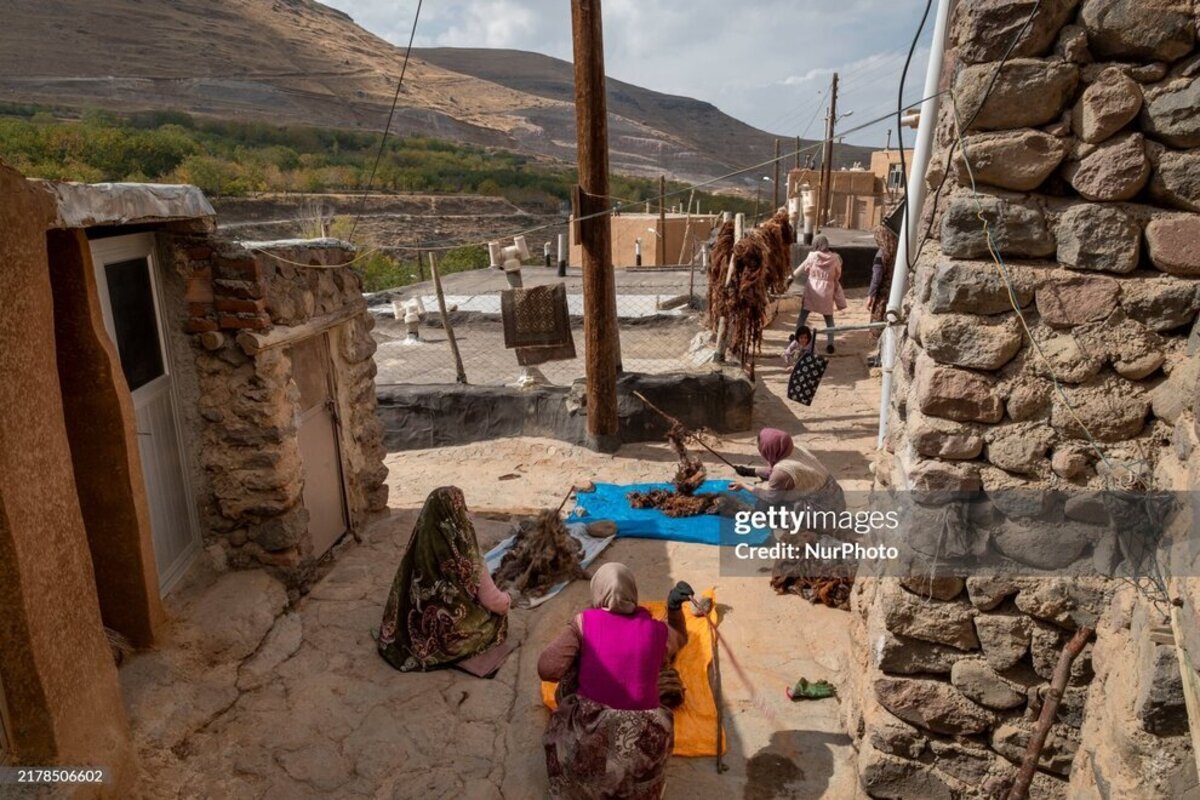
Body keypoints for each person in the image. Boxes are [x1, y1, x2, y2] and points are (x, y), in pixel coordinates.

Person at [538, 563, 693, 799]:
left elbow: (547, 669)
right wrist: (673, 608)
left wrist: (584, 648)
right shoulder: (656, 630)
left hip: (589, 736)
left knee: (571, 673)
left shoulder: (585, 622)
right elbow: (679, 638)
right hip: (642, 750)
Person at [376, 486, 512, 672]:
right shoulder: (466, 554)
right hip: (450, 633)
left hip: (414, 624)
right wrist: (507, 600)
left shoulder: (419, 548)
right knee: (496, 620)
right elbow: (493, 601)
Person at [731, 427, 845, 515]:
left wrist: (743, 485)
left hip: (823, 510)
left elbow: (771, 498)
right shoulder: (794, 448)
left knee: (763, 508)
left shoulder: (781, 472)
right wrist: (749, 471)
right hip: (836, 497)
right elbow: (777, 471)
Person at [792, 234, 846, 355]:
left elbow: (806, 269)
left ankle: (797, 340)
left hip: (812, 291)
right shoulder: (835, 258)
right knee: (829, 318)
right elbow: (838, 274)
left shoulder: (812, 256)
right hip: (827, 291)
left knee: (803, 316)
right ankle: (830, 343)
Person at [866, 225, 899, 367]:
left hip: (883, 298)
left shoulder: (881, 255)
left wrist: (871, 296)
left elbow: (876, 278)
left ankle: (881, 359)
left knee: (880, 327)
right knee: (891, 325)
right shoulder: (897, 252)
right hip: (895, 294)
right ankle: (884, 357)